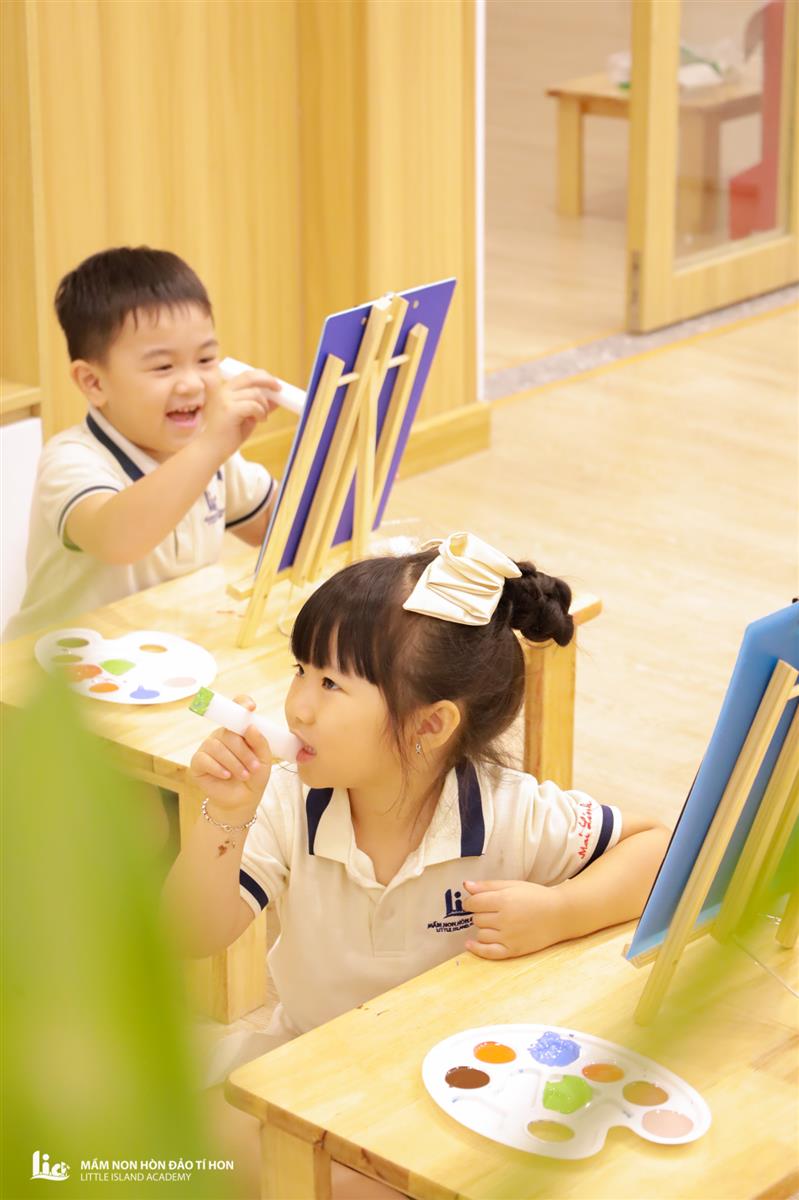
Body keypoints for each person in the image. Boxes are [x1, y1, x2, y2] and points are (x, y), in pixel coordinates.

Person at [164, 531, 670, 1198]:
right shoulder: (288, 799)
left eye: (330, 683)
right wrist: (224, 814)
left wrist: (560, 910)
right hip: (308, 1066)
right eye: (299, 670)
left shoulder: (508, 811)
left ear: (430, 726)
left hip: (453, 1095)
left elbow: (658, 847)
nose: (298, 705)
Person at [5, 246, 280, 640]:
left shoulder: (211, 454)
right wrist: (210, 448)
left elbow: (279, 528)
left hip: (163, 655)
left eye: (206, 360)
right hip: (54, 669)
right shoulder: (70, 459)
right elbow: (117, 540)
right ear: (93, 382)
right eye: (163, 367)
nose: (192, 383)